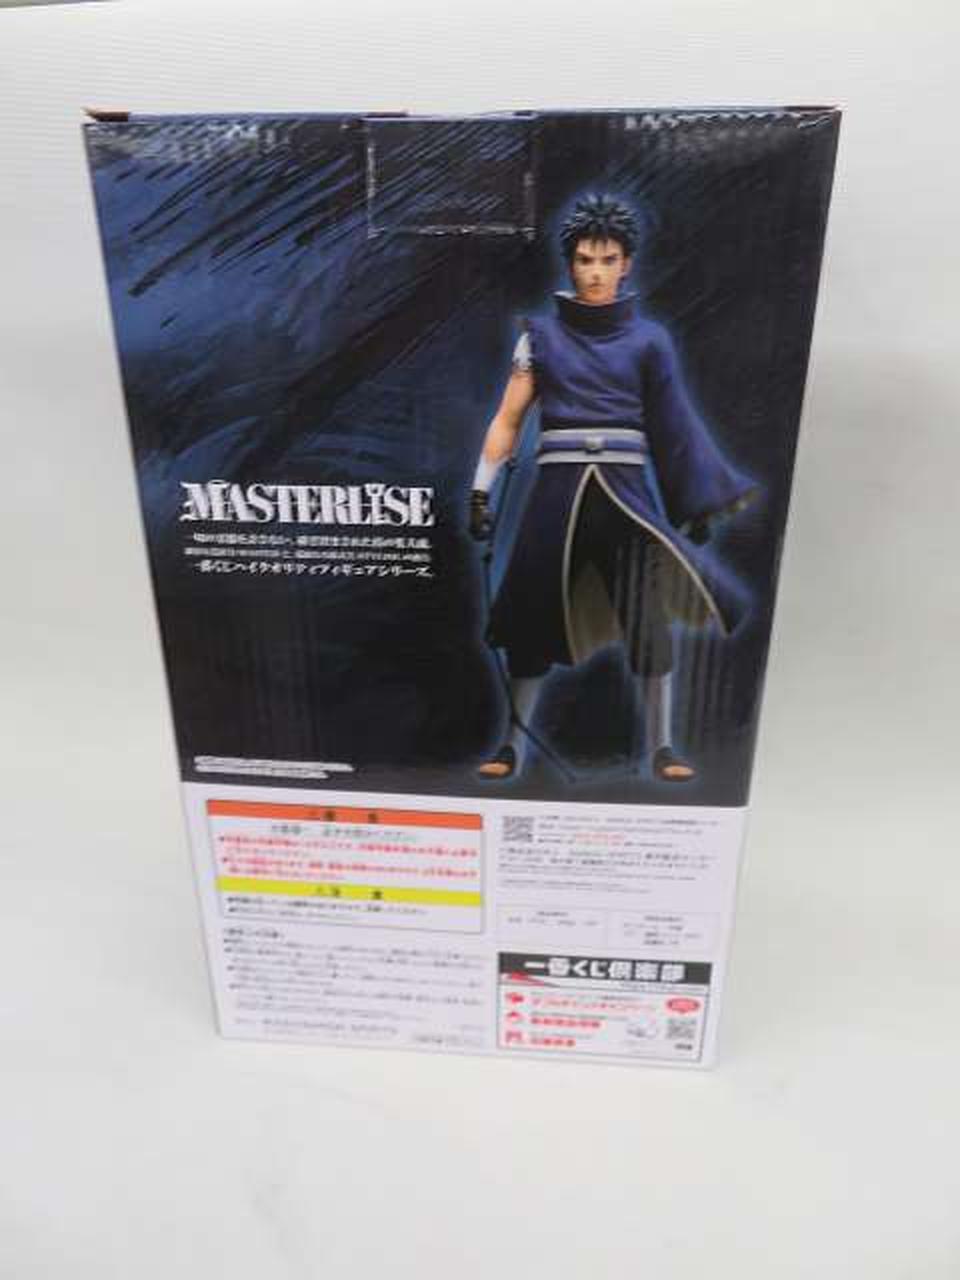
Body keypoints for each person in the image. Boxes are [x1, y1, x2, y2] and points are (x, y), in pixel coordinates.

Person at [469, 194, 756, 782]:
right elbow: (507, 420)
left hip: (627, 497)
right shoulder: (538, 338)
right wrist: (481, 491)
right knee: (530, 616)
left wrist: (698, 501)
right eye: (584, 260)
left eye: (607, 260)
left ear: (626, 264)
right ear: (570, 263)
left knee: (646, 620)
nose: (595, 273)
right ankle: (511, 745)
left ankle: (662, 747)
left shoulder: (649, 340)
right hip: (557, 496)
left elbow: (675, 425)